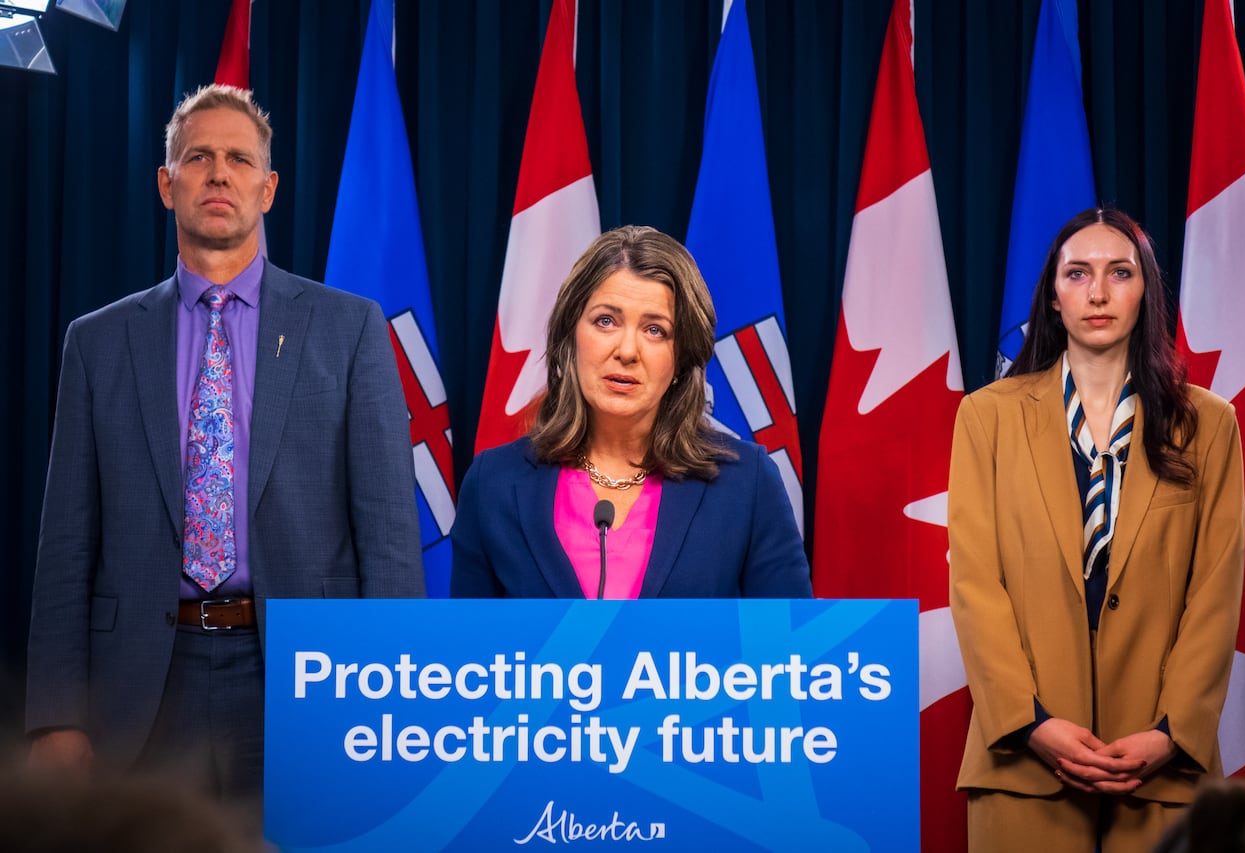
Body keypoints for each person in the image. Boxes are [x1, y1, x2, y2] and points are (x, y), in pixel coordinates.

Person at [25, 85, 423, 802]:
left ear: (267, 189)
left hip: (306, 679)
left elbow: (391, 535)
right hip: (140, 681)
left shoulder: (349, 328)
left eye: (239, 159)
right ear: (165, 182)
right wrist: (55, 715)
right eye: (198, 156)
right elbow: (65, 545)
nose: (218, 173)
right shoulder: (97, 342)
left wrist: (388, 697)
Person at [948, 207, 1245, 852]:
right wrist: (1029, 722)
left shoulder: (1210, 425)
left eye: (1121, 273)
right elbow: (975, 583)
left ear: (1147, 292)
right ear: (1053, 296)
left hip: (1162, 770)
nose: (1100, 292)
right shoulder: (986, 417)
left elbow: (1216, 593)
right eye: (1078, 273)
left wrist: (1170, 733)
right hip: (1024, 764)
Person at [451, 225, 812, 599]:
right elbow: (467, 651)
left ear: (682, 358)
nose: (627, 350)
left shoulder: (746, 483)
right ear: (570, 337)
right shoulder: (493, 483)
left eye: (655, 330)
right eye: (606, 321)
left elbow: (789, 649)